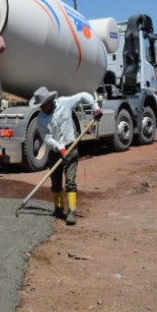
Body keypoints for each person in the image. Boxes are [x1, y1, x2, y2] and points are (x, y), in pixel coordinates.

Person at [32, 86, 102, 225]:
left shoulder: (64, 102)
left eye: (44, 105)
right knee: (56, 183)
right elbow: (47, 138)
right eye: (40, 106)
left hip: (71, 147)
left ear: (50, 101)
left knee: (70, 181)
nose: (42, 108)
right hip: (55, 151)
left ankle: (71, 212)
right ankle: (58, 209)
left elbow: (83, 94)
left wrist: (95, 107)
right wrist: (59, 147)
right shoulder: (40, 119)